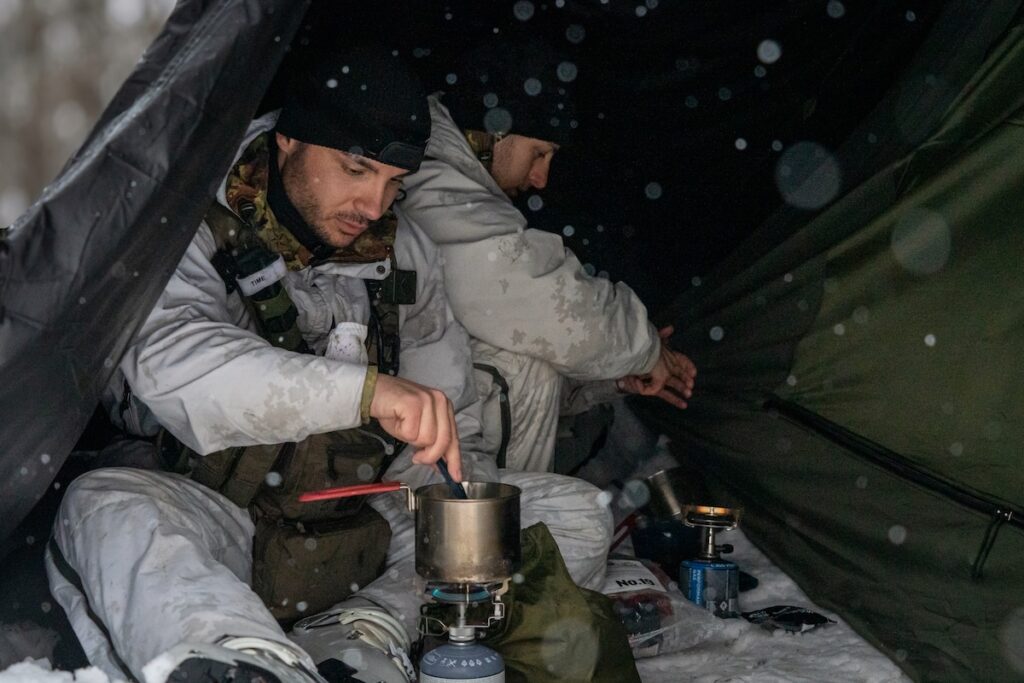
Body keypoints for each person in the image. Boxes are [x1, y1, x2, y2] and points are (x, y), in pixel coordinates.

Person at [45, 49, 612, 683]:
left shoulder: (405, 253)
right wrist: (366, 393)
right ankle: (243, 659)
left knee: (574, 514)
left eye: (394, 182)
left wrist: (457, 503)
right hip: (216, 512)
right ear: (289, 140)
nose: (373, 204)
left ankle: (359, 634)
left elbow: (453, 424)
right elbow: (176, 365)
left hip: (358, 526)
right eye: (356, 169)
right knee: (104, 506)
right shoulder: (184, 220)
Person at [398, 39, 697, 473]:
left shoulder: (450, 169)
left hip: (410, 409)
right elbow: (533, 294)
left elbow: (519, 331)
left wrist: (611, 377)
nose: (540, 179)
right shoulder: (431, 174)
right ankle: (491, 513)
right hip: (398, 433)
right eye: (538, 153)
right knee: (522, 368)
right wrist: (644, 347)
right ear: (496, 130)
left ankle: (506, 509)